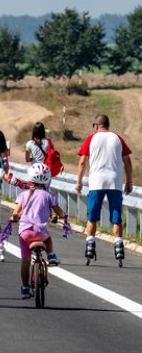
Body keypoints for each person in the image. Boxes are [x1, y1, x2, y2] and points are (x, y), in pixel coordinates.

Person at [75, 114, 133, 262]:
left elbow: (82, 162)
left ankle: (90, 244)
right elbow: (127, 161)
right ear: (108, 125)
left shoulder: (91, 138)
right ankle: (119, 247)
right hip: (114, 182)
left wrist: (79, 182)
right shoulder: (117, 138)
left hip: (96, 183)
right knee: (116, 217)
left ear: (96, 126)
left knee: (92, 216)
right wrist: (129, 182)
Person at [9, 163, 67, 299]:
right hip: (40, 232)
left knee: (25, 260)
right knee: (48, 238)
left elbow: (15, 213)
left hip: (25, 233)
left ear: (30, 178)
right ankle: (51, 255)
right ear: (47, 179)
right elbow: (59, 212)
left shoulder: (23, 195)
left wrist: (14, 218)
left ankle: (24, 288)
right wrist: (63, 217)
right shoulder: (49, 196)